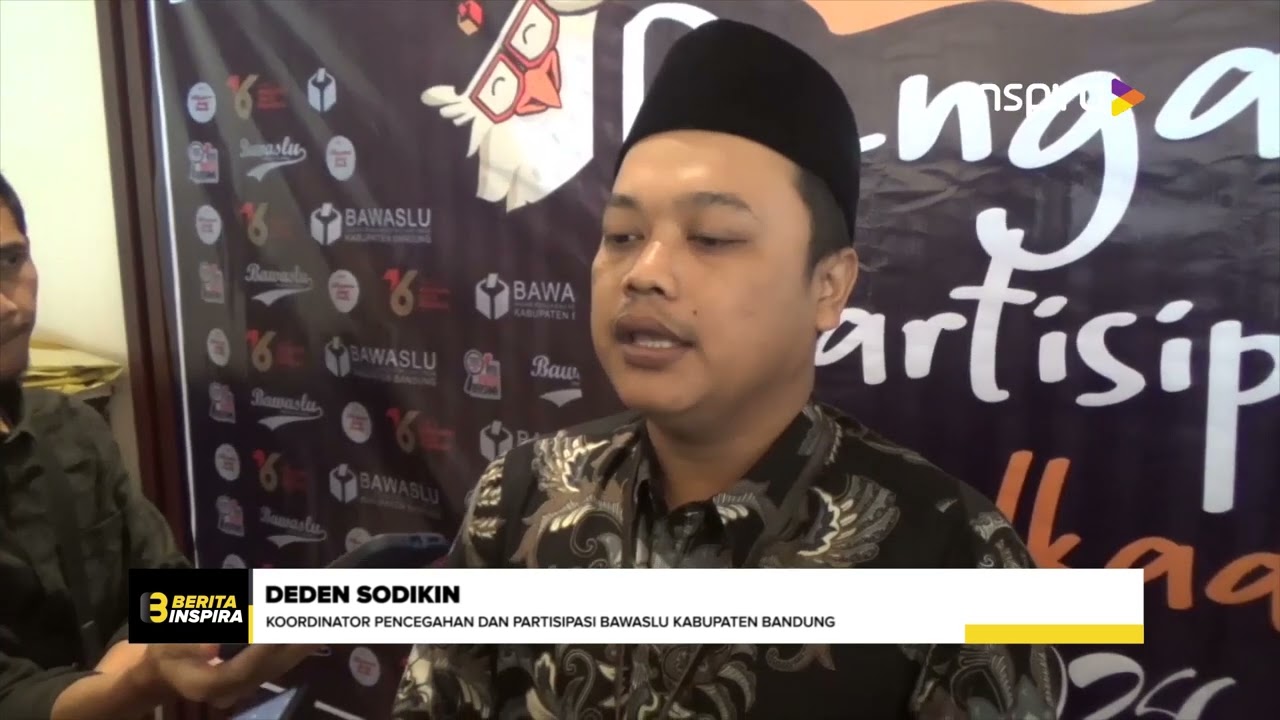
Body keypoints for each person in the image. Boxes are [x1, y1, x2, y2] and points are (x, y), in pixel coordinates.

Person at [392, 19, 1063, 720]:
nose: (645, 272)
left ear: (829, 286)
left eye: (711, 238)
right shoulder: (520, 497)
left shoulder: (957, 558)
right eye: (622, 235)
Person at [0, 170, 315, 719]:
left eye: (9, 261)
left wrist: (335, 604)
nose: (8, 307)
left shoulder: (70, 429)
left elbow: (166, 598)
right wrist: (137, 680)